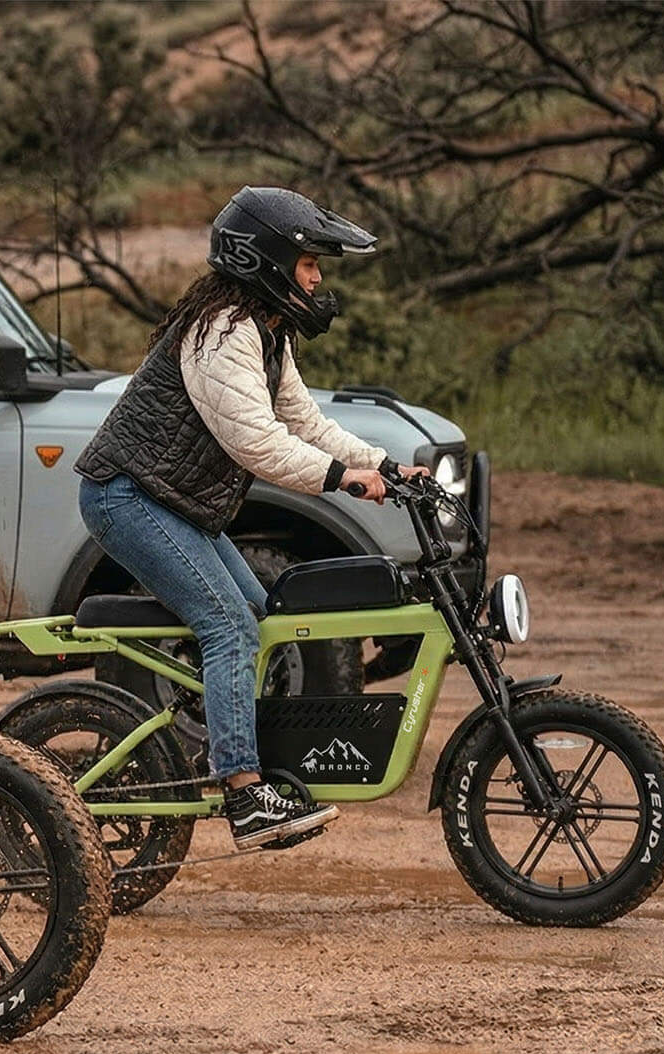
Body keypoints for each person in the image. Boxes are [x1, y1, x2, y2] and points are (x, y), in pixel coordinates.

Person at [70, 186, 427, 848]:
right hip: (127, 495)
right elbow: (256, 442)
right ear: (266, 260)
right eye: (310, 263)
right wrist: (341, 480)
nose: (318, 277)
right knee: (229, 628)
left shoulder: (264, 331)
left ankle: (213, 731)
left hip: (174, 501)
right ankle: (243, 793)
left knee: (258, 615)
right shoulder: (223, 333)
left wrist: (387, 464)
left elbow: (303, 421)